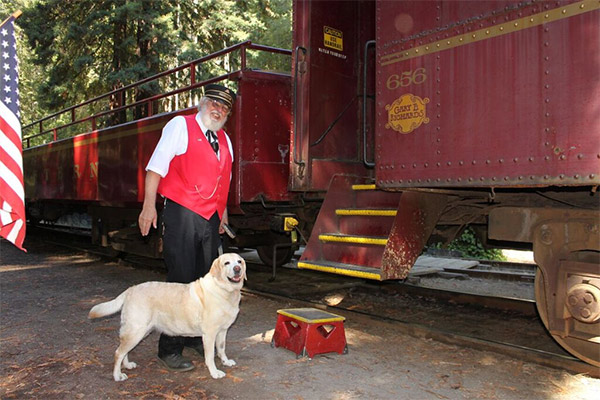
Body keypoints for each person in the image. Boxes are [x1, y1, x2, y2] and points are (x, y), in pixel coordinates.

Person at [138, 83, 236, 372]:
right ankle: (168, 349)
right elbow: (155, 168)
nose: (218, 110)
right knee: (180, 281)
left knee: (206, 283)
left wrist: (223, 215)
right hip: (181, 213)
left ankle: (196, 335)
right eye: (214, 104)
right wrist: (148, 207)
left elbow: (222, 183)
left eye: (225, 108)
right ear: (202, 104)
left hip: (211, 218)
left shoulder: (225, 140)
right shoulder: (180, 126)